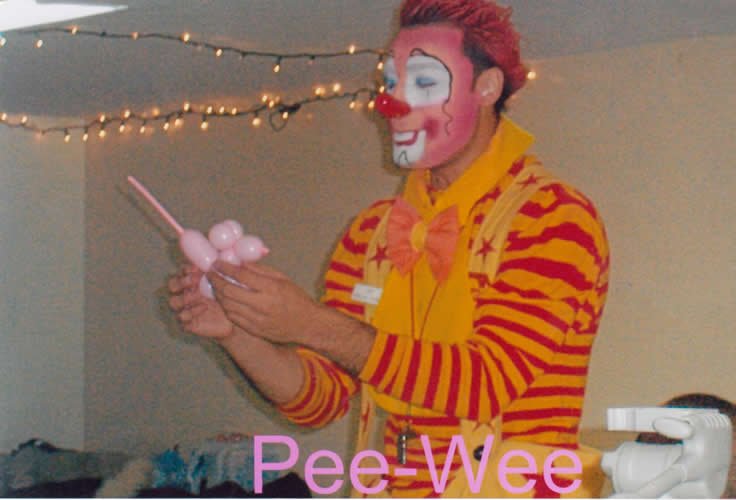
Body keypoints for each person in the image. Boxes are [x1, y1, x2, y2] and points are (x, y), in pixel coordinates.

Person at [168, 0, 610, 496]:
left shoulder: (552, 217)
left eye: (423, 83)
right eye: (391, 82)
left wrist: (309, 323)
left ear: (486, 88)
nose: (391, 103)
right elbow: (319, 400)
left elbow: (485, 385)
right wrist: (236, 332)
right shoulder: (371, 232)